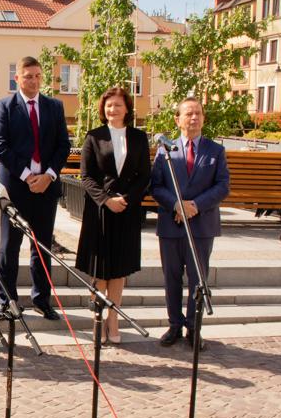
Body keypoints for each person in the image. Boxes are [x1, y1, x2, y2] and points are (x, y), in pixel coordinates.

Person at [0, 56, 71, 321]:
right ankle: (7, 300)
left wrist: (48, 175)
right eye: (28, 76)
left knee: (42, 246)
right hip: (15, 188)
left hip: (46, 189)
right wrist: (28, 176)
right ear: (17, 78)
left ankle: (41, 300)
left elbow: (63, 145)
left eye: (37, 76)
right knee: (9, 247)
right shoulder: (5, 106)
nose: (34, 81)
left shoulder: (54, 106)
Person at [150, 97, 229, 349]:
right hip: (171, 225)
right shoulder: (166, 150)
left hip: (201, 225)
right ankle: (174, 324)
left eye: (198, 113)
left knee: (198, 280)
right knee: (172, 277)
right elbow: (156, 186)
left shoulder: (215, 151)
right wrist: (176, 205)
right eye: (188, 114)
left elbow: (222, 186)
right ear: (178, 119)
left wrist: (194, 206)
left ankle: (194, 328)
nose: (194, 118)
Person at [76, 87, 150, 345]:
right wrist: (106, 200)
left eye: (118, 105)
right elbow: (86, 176)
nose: (113, 109)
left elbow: (145, 175)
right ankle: (98, 318)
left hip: (126, 211)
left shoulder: (139, 137)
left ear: (127, 108)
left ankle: (114, 318)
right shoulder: (94, 137)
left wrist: (126, 200)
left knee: (119, 268)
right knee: (100, 269)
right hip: (100, 212)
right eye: (109, 105)